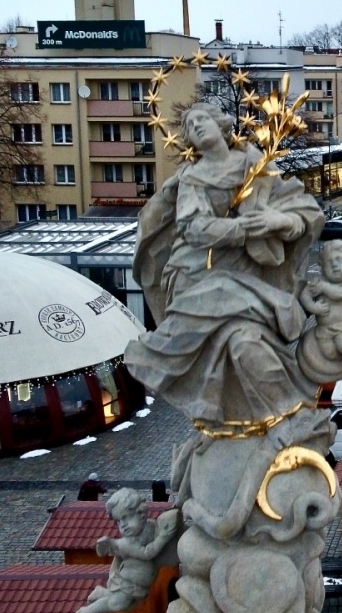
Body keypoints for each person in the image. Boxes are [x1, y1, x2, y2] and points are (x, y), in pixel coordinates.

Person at [124, 103, 328, 428]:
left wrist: (280, 221)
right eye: (190, 125)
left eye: (202, 119)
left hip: (247, 274)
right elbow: (194, 228)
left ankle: (286, 418)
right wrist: (245, 228)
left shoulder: (255, 164)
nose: (196, 126)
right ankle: (164, 359)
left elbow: (301, 211)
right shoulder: (192, 178)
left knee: (247, 344)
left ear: (221, 124)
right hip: (197, 275)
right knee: (239, 340)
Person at [298, 240, 342, 378]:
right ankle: (334, 369)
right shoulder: (318, 283)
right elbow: (304, 295)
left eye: (339, 260)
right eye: (329, 262)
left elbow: (339, 294)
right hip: (324, 329)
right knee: (329, 353)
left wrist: (324, 288)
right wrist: (313, 307)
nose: (334, 265)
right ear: (322, 267)